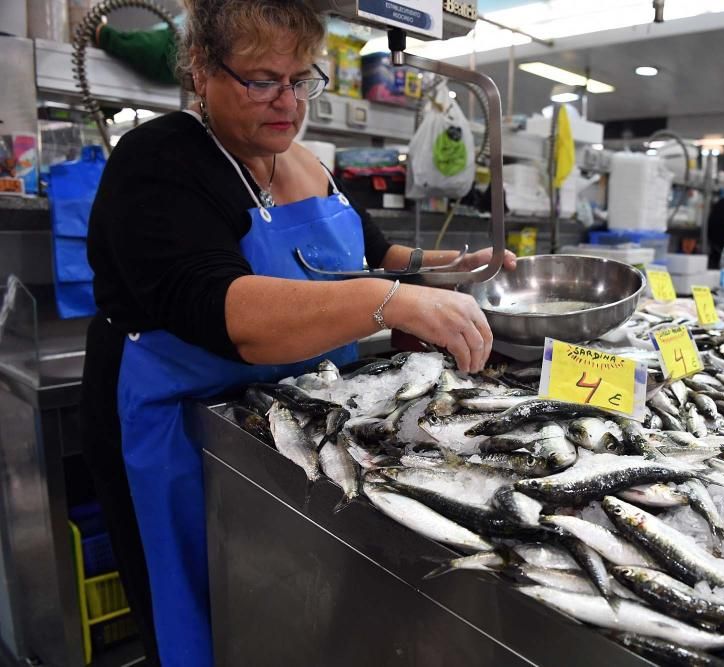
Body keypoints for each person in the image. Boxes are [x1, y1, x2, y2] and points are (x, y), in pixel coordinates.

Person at [79, 2, 514, 665]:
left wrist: (452, 268)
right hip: (182, 429)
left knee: (293, 607)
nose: (286, 102)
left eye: (300, 79)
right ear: (201, 67)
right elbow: (228, 311)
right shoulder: (160, 161)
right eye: (261, 79)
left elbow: (372, 255)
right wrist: (388, 301)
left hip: (295, 416)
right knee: (205, 607)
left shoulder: (304, 162)